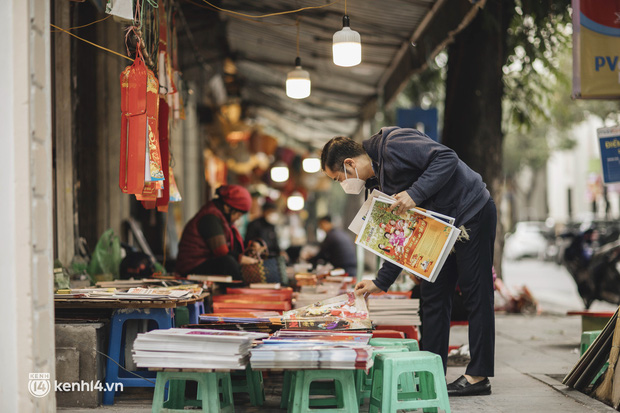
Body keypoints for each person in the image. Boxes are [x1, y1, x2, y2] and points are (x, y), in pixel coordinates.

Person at [321, 127, 497, 397]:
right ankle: (431, 371)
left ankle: (478, 376)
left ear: (350, 163)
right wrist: (381, 282)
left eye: (338, 179)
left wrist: (415, 193)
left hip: (470, 212)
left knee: (476, 294)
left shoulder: (393, 143)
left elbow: (447, 158)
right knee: (432, 297)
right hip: (437, 231)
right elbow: (398, 236)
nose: (343, 185)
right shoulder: (376, 186)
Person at [176, 185, 258, 279]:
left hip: (204, 262)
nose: (238, 218)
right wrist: (242, 259)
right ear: (227, 207)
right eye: (238, 214)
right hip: (191, 266)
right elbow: (222, 252)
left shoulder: (222, 218)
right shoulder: (210, 217)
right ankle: (242, 287)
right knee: (227, 262)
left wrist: (251, 245)